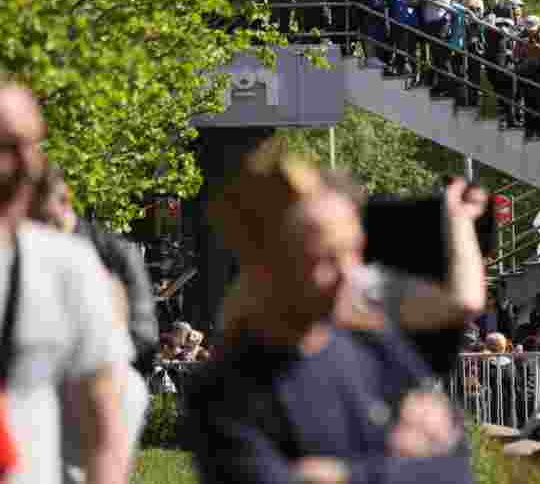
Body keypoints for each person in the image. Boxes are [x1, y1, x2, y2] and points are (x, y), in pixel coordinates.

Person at [189, 144, 476, 484]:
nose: (347, 274)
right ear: (269, 266)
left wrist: (341, 475)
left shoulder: (375, 347)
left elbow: (455, 467)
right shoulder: (227, 391)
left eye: (352, 251)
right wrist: (402, 464)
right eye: (324, 258)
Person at [0, 83, 134, 484]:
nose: (25, 162)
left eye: (32, 144)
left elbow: (104, 428)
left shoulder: (68, 265)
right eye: (6, 145)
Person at [29, 162, 158, 374]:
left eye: (37, 214)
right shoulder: (25, 248)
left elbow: (144, 341)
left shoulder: (116, 253)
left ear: (63, 200)